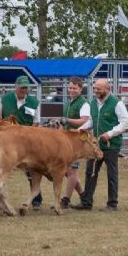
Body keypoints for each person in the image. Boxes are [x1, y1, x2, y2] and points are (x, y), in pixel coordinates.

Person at [71, 79, 128, 211]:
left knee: (111, 174)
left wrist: (110, 133)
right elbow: (91, 121)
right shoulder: (93, 103)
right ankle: (86, 202)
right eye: (95, 88)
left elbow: (126, 122)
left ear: (107, 89)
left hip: (111, 144)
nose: (96, 91)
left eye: (99, 89)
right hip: (95, 145)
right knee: (90, 172)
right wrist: (81, 129)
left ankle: (112, 203)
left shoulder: (117, 103)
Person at [0, 75, 42, 209]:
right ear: (15, 87)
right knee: (1, 171)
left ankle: (37, 200)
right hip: (8, 142)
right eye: (22, 87)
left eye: (26, 88)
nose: (24, 90)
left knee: (31, 171)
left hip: (26, 142)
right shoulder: (4, 100)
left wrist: (27, 135)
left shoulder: (35, 102)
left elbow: (36, 123)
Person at [58, 77, 90, 209]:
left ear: (80, 89)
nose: (71, 90)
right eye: (70, 87)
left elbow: (84, 120)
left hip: (76, 140)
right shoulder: (69, 102)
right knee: (67, 171)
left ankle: (65, 200)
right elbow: (65, 123)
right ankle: (83, 196)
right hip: (66, 139)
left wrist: (68, 120)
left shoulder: (84, 103)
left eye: (74, 88)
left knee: (71, 171)